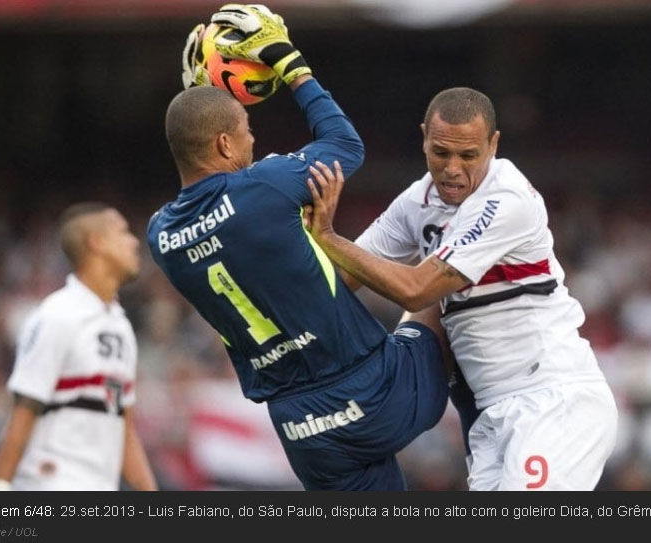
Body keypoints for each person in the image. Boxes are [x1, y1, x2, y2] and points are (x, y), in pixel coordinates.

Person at [148, 5, 449, 490]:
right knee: (438, 285)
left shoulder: (160, 235)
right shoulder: (264, 188)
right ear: (225, 145)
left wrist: (199, 97)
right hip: (376, 392)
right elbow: (345, 145)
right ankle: (505, 441)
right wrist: (290, 63)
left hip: (302, 429)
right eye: (246, 131)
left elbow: (200, 169)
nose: (254, 139)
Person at [305, 87, 619, 490]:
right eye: (441, 152)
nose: (452, 168)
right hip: (492, 413)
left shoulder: (506, 198)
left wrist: (329, 237)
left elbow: (416, 290)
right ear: (424, 138)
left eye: (468, 155)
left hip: (552, 401)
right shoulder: (417, 201)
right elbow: (341, 278)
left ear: (493, 144)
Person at [0, 203, 157, 491]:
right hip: (50, 481)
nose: (133, 241)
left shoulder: (120, 326)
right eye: (123, 232)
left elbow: (124, 428)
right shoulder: (57, 316)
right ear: (97, 242)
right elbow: (24, 408)